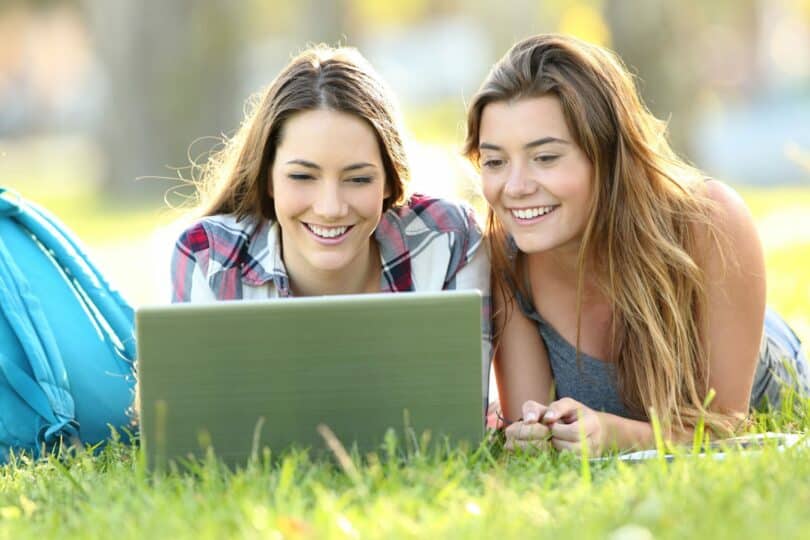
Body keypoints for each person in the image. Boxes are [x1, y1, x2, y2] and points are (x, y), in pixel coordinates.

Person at [465, 34, 809, 455]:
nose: (515, 187)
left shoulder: (707, 220)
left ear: (608, 157)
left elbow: (727, 428)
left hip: (763, 362)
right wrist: (535, 433)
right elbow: (530, 427)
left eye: (546, 157)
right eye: (496, 162)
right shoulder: (506, 258)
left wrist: (615, 435)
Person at [169, 45, 491, 400]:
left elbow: (463, 412)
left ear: (389, 180)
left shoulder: (448, 239)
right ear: (267, 178)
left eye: (358, 179)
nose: (330, 208)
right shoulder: (209, 255)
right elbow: (189, 419)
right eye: (303, 177)